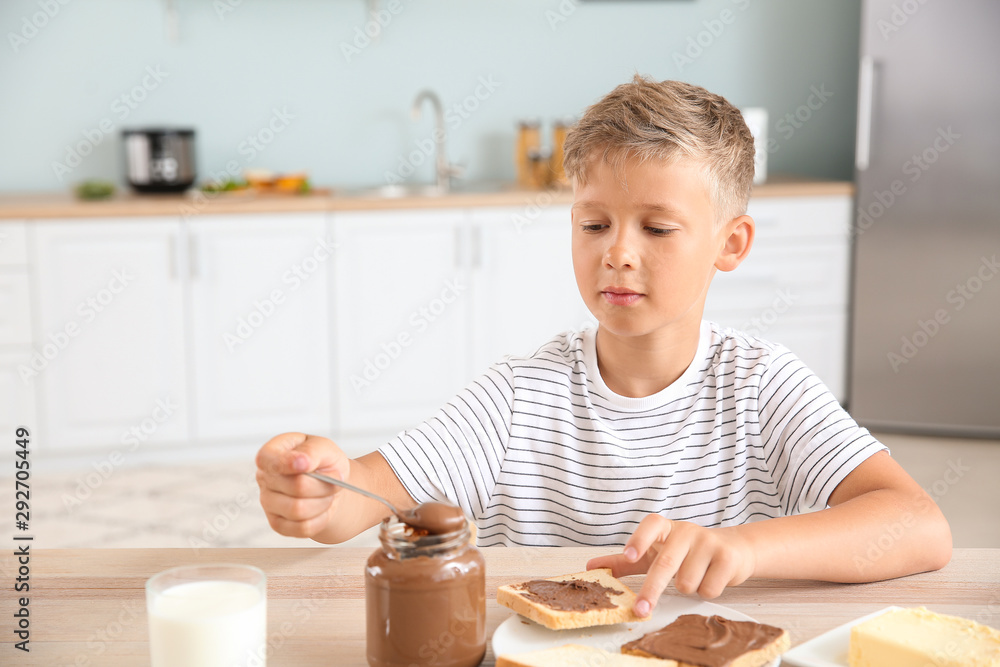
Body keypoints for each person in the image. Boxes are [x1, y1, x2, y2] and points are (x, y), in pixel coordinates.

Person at [256, 75, 951, 617]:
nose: (617, 254)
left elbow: (919, 525)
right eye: (594, 224)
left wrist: (742, 546)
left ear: (729, 243)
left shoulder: (762, 385)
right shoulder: (519, 395)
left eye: (656, 227)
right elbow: (366, 495)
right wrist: (320, 487)